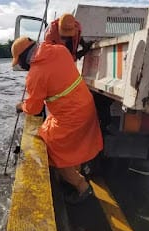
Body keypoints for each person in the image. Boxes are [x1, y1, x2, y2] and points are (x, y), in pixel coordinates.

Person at [11, 36, 103, 204]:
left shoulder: (35, 75)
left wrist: (21, 106)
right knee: (70, 143)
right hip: (86, 106)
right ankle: (76, 172)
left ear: (24, 58)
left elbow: (33, 109)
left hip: (71, 116)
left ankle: (81, 186)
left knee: (53, 150)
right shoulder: (60, 50)